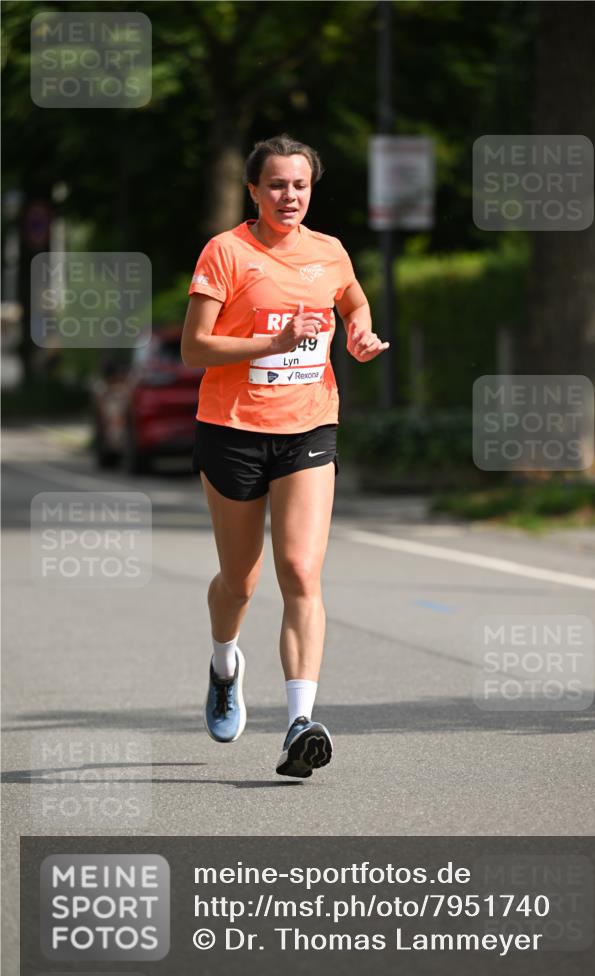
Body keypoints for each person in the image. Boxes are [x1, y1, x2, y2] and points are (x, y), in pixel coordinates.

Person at [181, 134, 389, 778]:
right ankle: (224, 665)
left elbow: (352, 298)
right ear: (253, 191)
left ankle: (300, 722)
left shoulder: (329, 251)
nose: (288, 196)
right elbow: (194, 348)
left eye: (299, 185)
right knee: (239, 581)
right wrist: (271, 343)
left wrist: (358, 330)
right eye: (275, 185)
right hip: (233, 428)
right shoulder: (226, 252)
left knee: (300, 570)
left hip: (309, 426)